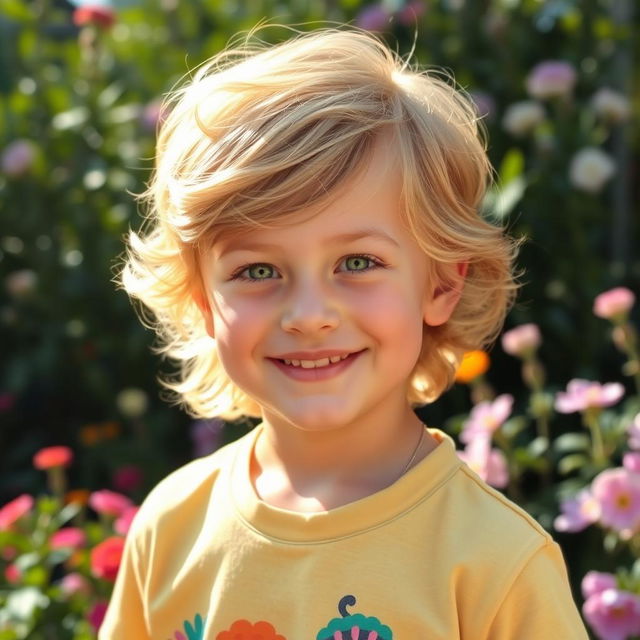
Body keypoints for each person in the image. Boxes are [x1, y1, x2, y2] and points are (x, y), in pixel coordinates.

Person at [100, 26, 589, 639]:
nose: (309, 313)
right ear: (203, 302)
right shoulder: (171, 526)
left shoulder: (496, 563)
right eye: (257, 270)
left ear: (440, 284)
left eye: (357, 263)